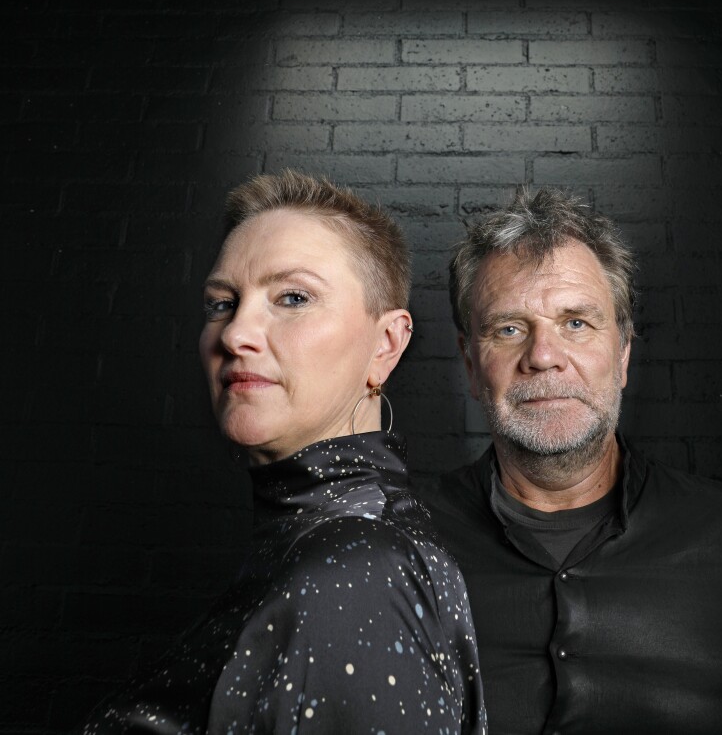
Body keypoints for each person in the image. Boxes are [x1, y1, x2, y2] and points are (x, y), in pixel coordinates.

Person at [417, 184, 722, 734]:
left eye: (576, 323)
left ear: (622, 355)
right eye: (510, 328)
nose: (543, 356)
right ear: (471, 366)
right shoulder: (401, 542)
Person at [84, 170, 485, 734]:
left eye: (293, 298)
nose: (235, 333)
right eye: (221, 303)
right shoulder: (333, 541)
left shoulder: (355, 572)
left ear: (386, 344)